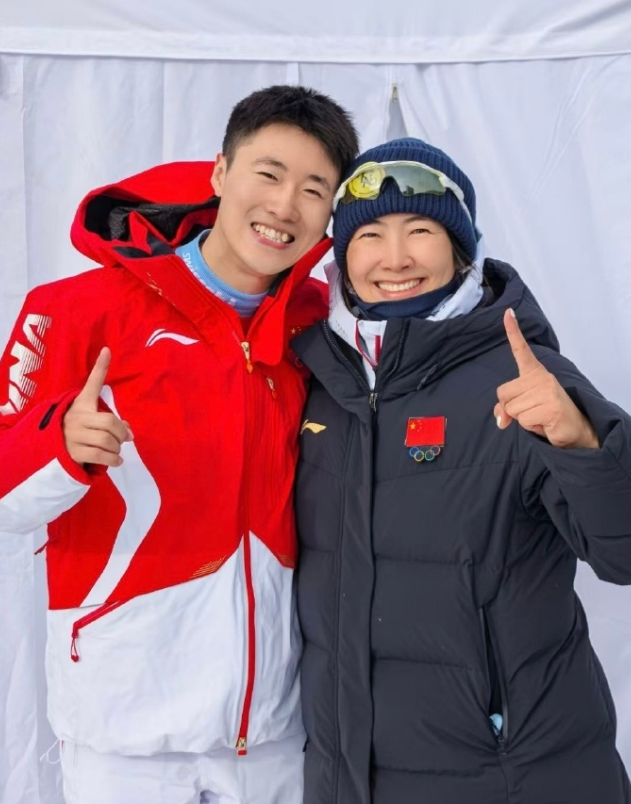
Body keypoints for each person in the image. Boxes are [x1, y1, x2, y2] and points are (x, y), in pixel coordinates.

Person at [0, 84, 358, 804]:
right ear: (220, 173)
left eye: (313, 189)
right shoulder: (78, 311)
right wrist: (60, 441)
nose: (284, 206)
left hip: (272, 730)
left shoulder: (321, 329)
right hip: (126, 732)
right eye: (268, 174)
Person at [293, 137, 631, 804]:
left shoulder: (524, 378)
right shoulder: (319, 382)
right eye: (369, 236)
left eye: (420, 231)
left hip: (515, 776)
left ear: (460, 249)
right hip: (348, 776)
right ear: (341, 256)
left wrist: (582, 444)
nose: (394, 258)